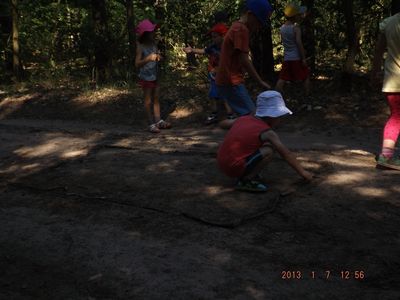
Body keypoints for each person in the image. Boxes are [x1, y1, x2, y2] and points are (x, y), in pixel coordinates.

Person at [217, 90, 313, 192]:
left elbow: (223, 124)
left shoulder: (243, 119)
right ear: (272, 116)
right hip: (233, 167)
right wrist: (303, 173)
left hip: (222, 163)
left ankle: (247, 171)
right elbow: (286, 154)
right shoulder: (268, 132)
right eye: (279, 117)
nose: (280, 120)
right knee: (269, 151)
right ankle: (246, 180)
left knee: (263, 143)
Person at [216, 0, 273, 122]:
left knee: (245, 117)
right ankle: (226, 125)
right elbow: (244, 59)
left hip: (228, 79)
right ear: (250, 14)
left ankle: (226, 125)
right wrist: (259, 81)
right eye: (258, 21)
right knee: (253, 117)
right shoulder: (241, 29)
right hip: (231, 80)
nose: (258, 26)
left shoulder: (236, 26)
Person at [183, 23, 235, 125]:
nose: (213, 39)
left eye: (215, 37)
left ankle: (231, 115)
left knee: (226, 96)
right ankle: (214, 115)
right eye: (212, 37)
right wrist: (192, 50)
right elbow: (204, 51)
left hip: (225, 76)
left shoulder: (228, 47)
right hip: (214, 77)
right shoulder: (213, 46)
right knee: (212, 95)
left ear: (223, 36)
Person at [371, 2, 400, 170]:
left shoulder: (388, 23)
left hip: (393, 80)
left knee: (396, 117)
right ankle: (387, 157)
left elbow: (378, 51)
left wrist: (374, 73)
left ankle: (386, 156)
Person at [135, 19, 171, 133]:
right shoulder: (141, 46)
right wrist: (148, 58)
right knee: (148, 101)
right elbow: (137, 64)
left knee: (156, 99)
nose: (154, 33)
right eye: (151, 32)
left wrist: (159, 57)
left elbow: (156, 56)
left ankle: (158, 120)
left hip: (155, 75)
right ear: (145, 34)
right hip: (146, 77)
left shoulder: (154, 44)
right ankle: (150, 123)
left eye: (153, 31)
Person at [275, 3, 310, 97]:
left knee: (282, 78)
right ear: (295, 16)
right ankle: (307, 96)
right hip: (296, 57)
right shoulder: (295, 28)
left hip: (287, 58)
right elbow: (298, 43)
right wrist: (303, 58)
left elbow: (284, 42)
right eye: (299, 14)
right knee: (305, 76)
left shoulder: (282, 28)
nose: (300, 16)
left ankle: (277, 96)